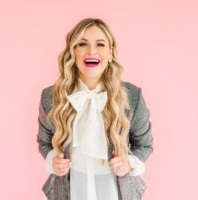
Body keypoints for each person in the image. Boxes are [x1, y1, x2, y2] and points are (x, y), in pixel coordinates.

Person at [37, 18, 153, 200]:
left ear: (110, 51)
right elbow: (44, 142)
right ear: (73, 51)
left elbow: (144, 144)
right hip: (69, 190)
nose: (91, 51)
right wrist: (53, 159)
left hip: (118, 192)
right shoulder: (50, 97)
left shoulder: (132, 96)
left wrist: (129, 163)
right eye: (82, 44)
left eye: (100, 44)